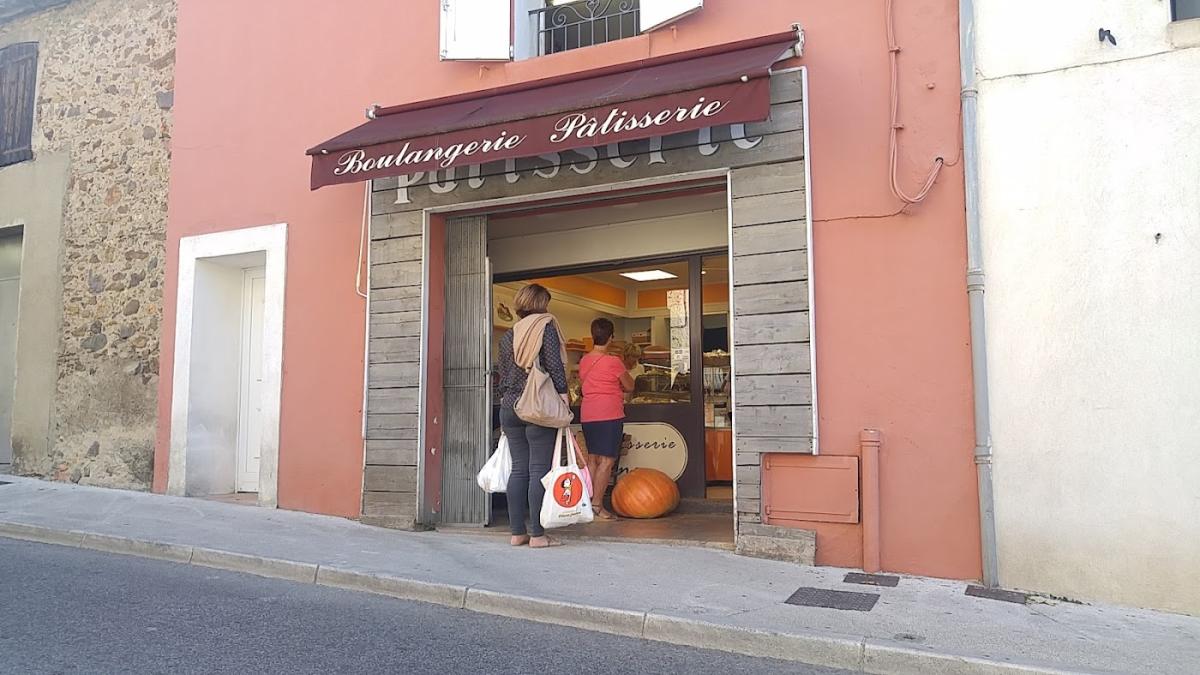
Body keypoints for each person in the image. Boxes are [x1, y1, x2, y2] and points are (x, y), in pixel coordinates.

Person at [497, 284, 571, 548]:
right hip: (537, 407)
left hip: (510, 407)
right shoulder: (546, 327)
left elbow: (502, 374)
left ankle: (518, 533)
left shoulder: (508, 334)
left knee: (519, 470)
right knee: (538, 469)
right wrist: (563, 395)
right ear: (543, 304)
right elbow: (553, 365)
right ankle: (538, 535)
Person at [580, 318, 635, 520]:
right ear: (611, 337)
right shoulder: (613, 362)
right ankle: (596, 505)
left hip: (588, 414)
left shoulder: (585, 360)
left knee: (593, 458)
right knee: (607, 461)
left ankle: (588, 502)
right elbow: (629, 386)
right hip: (609, 413)